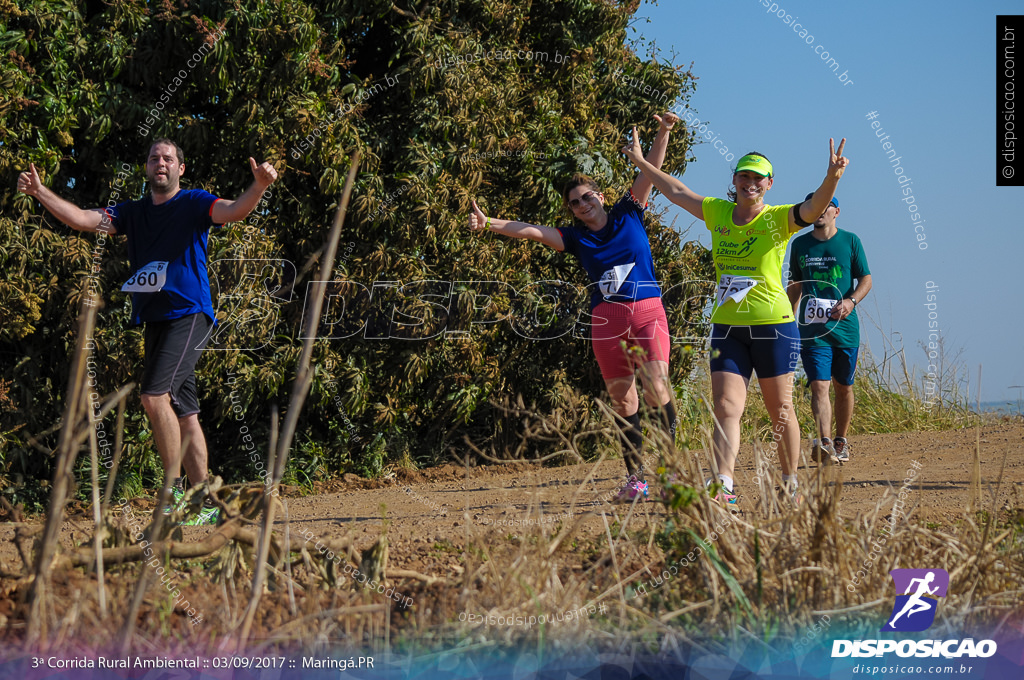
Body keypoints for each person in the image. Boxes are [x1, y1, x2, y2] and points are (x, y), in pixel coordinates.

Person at [17, 139, 278, 524]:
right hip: (156, 320)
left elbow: (232, 211)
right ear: (146, 168)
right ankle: (206, 503)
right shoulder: (132, 212)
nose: (161, 163)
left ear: (180, 169)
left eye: (168, 158)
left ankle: (171, 494)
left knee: (154, 397)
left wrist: (258, 186)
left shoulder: (193, 203)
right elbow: (82, 219)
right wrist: (40, 192)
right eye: (155, 158)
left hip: (190, 315)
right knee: (184, 411)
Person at [621, 131, 848, 504]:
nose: (751, 183)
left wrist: (832, 177)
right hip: (728, 328)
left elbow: (811, 211)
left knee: (780, 412)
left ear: (769, 184)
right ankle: (723, 484)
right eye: (744, 176)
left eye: (758, 178)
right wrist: (642, 164)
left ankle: (790, 482)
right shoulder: (718, 212)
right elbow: (677, 192)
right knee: (726, 407)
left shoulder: (778, 219)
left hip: (773, 327)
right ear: (735, 181)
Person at [467, 113, 682, 503]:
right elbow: (531, 231)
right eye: (574, 203)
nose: (582, 205)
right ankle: (636, 480)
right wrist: (490, 223)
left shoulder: (629, 211)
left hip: (647, 310)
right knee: (624, 400)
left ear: (600, 195)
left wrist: (662, 132)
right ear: (571, 211)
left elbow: (651, 172)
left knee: (656, 388)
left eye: (587, 197)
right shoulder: (575, 238)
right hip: (607, 320)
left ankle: (669, 473)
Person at [786, 193, 871, 464]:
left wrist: (851, 301)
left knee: (843, 386)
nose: (820, 210)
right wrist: (786, 319)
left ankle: (840, 440)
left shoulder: (850, 241)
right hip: (812, 330)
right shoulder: (800, 245)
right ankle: (824, 443)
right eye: (815, 207)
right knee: (819, 386)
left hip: (845, 329)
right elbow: (795, 285)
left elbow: (866, 278)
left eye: (827, 206)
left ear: (837, 212)